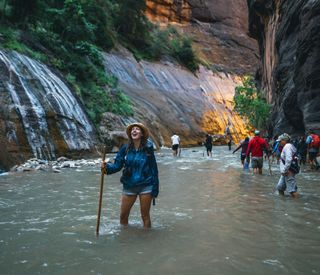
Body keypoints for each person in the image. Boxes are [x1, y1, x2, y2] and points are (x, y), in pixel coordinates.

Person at [101, 123, 159, 228]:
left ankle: (147, 239)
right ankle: (125, 239)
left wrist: (155, 188)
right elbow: (117, 166)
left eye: (137, 129)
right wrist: (106, 168)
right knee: (123, 216)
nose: (134, 131)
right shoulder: (125, 149)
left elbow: (153, 168)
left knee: (145, 216)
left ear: (142, 134)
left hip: (146, 185)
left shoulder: (148, 148)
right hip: (129, 185)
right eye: (132, 130)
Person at [276, 133, 299, 198]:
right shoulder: (288, 146)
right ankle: (282, 202)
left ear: (284, 140)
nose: (279, 142)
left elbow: (289, 160)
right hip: (285, 171)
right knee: (280, 187)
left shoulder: (287, 146)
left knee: (292, 191)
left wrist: (285, 170)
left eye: (280, 141)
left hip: (288, 171)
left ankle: (297, 204)